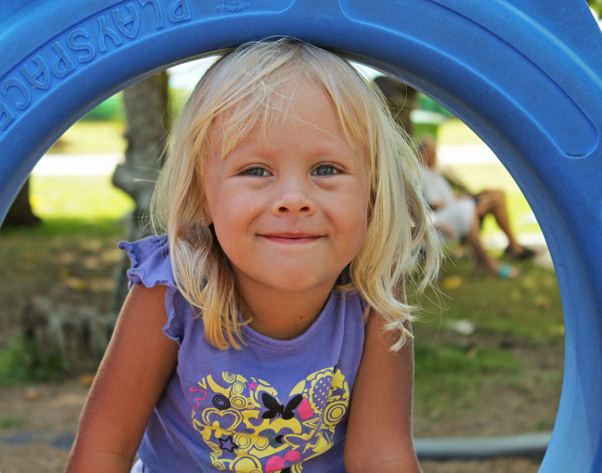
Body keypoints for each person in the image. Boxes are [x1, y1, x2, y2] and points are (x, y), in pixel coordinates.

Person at [65, 38, 442, 473]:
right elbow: (103, 452)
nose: (294, 199)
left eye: (326, 169)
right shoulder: (172, 289)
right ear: (201, 196)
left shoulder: (374, 292)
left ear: (372, 193)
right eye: (256, 171)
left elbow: (380, 455)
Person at [417, 137, 535, 278]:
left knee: (496, 194)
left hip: (452, 208)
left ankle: (511, 246)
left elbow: (448, 197)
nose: (435, 157)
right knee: (471, 207)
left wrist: (469, 195)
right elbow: (433, 204)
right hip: (443, 216)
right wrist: (463, 201)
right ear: (423, 154)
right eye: (432, 153)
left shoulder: (434, 172)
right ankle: (490, 259)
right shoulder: (421, 174)